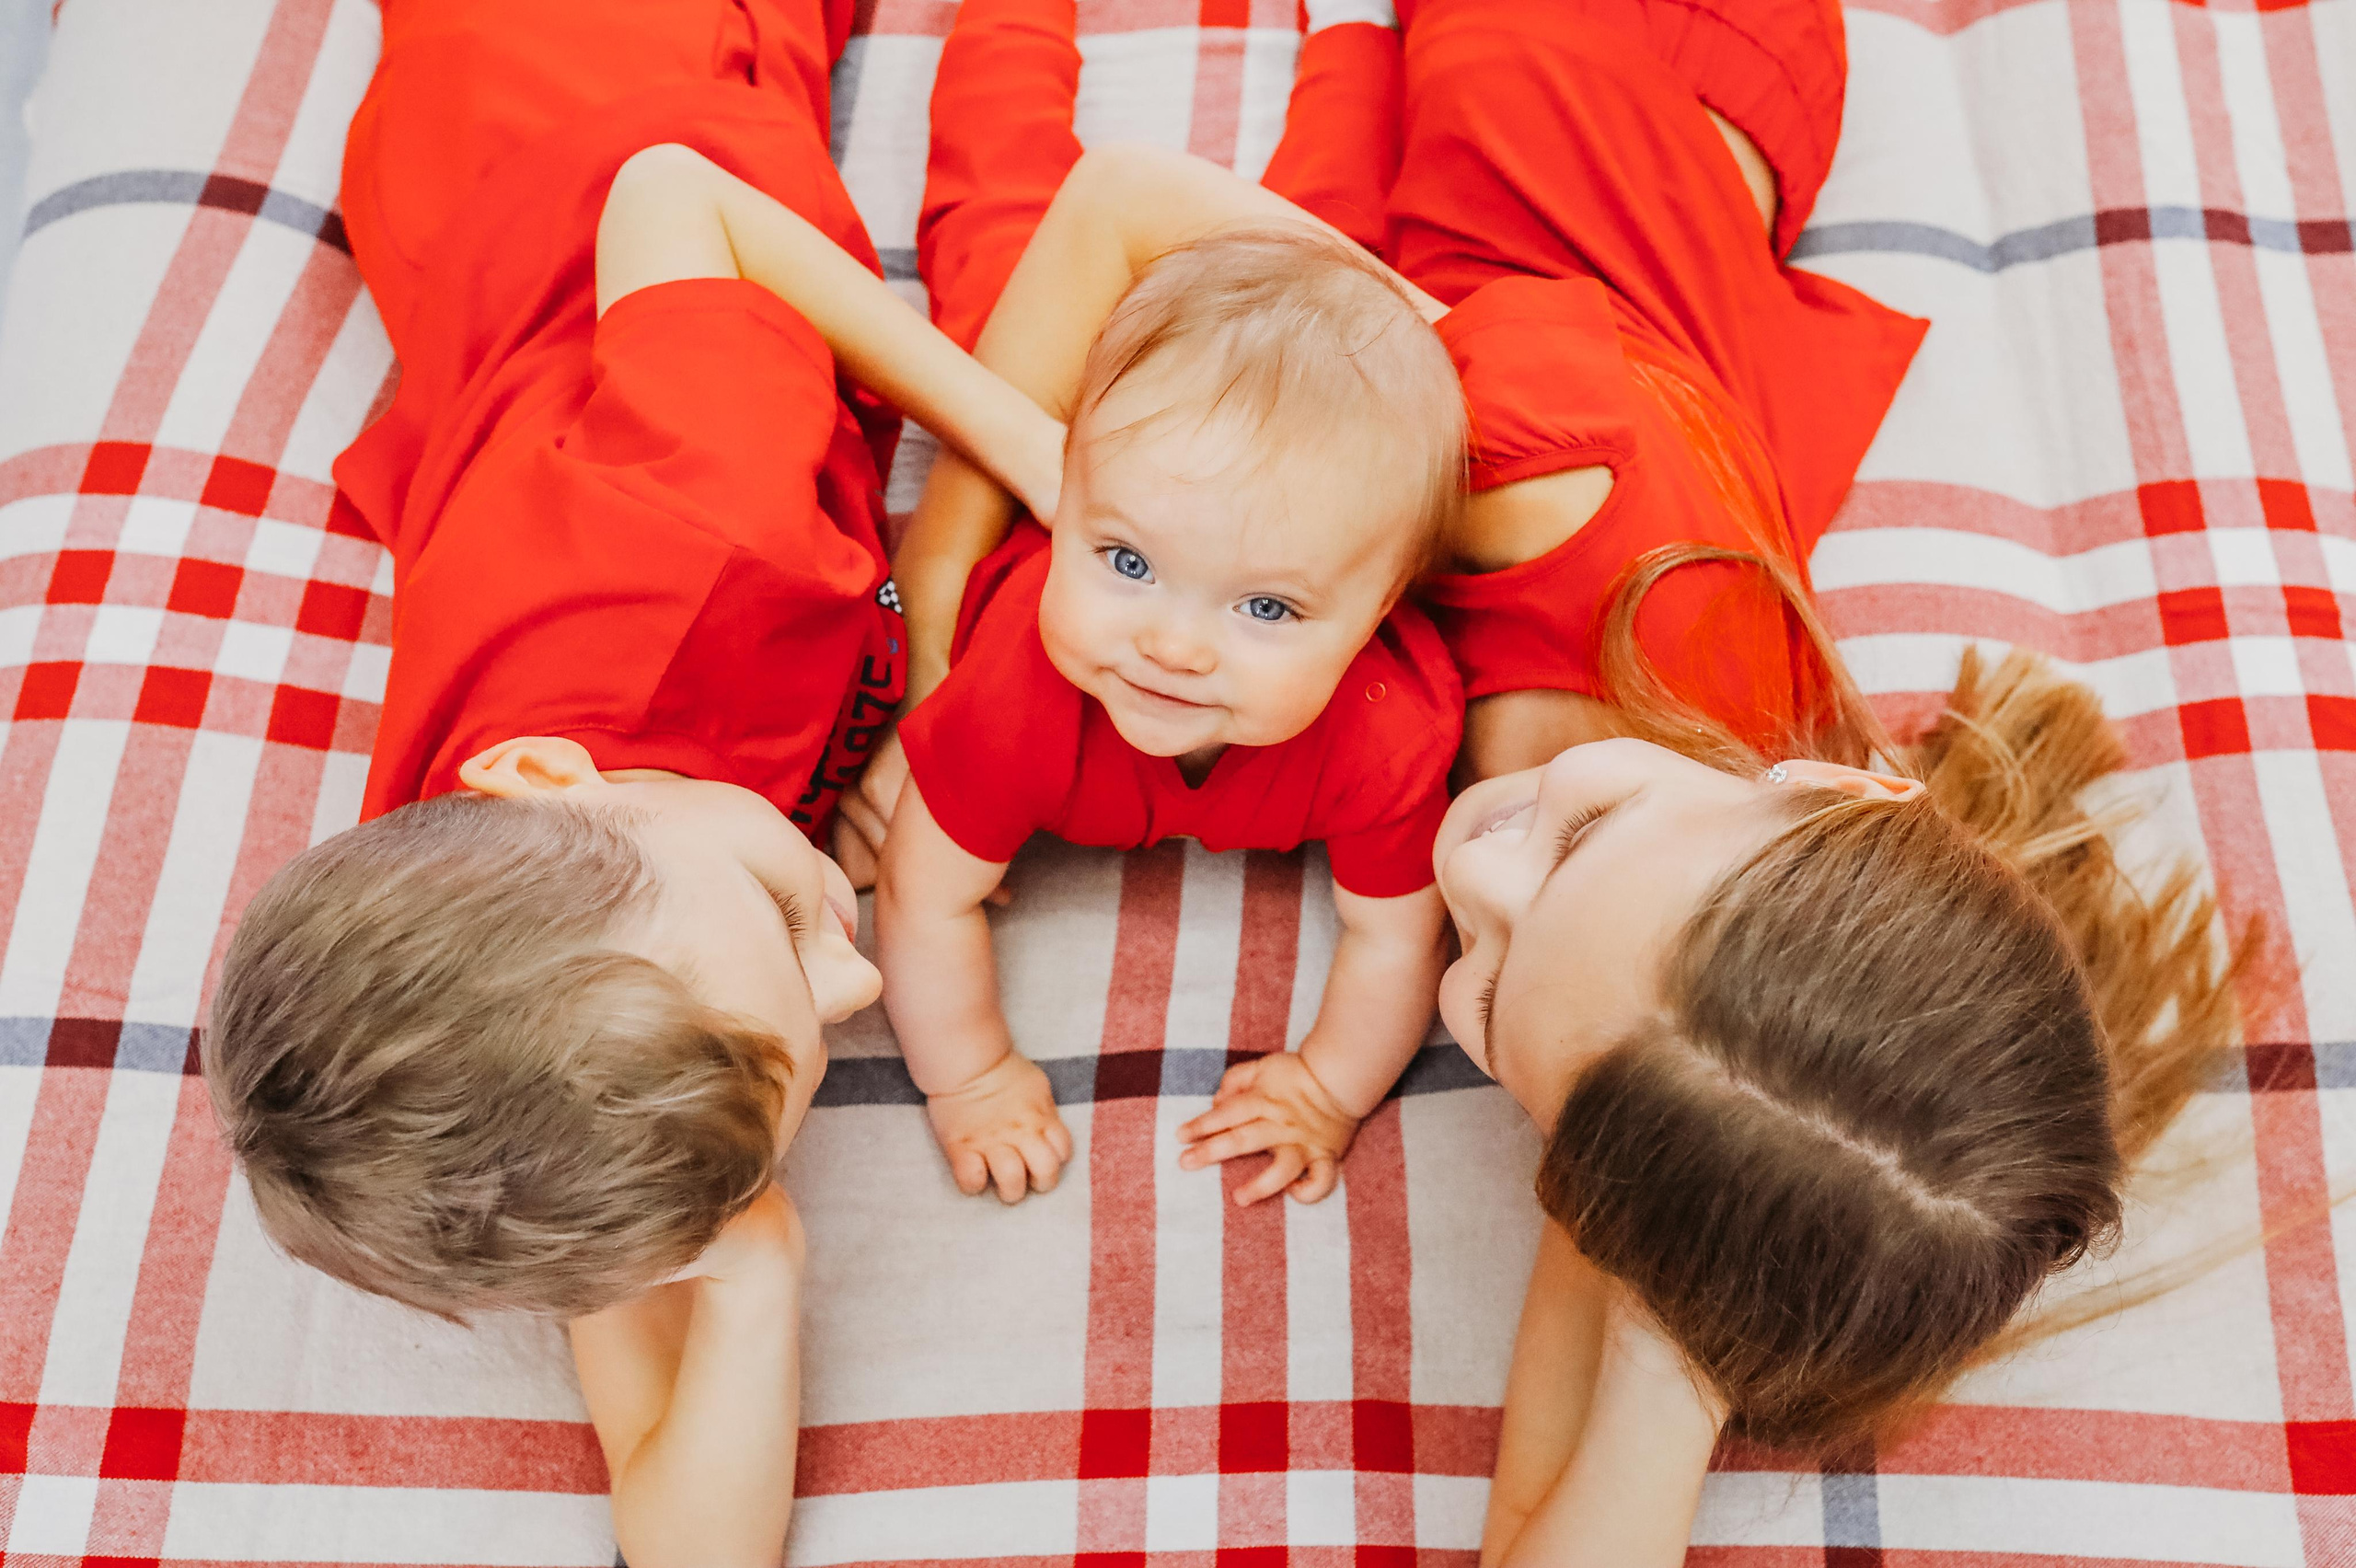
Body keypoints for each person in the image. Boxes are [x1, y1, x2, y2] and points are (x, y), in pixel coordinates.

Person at [202, 0, 1071, 1558]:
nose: (861, 978)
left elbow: (676, 191)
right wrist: (749, 1271)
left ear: (536, 774)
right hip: (486, 244)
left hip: (586, 83)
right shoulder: (547, 1043)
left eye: (785, 926)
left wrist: (1031, 448)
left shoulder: (692, 544)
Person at [871, 0, 1469, 1211]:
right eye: (1127, 563)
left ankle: (1352, 37)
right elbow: (922, 897)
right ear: (1069, 496)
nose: (1173, 645)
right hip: (1081, 355)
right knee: (999, 217)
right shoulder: (1017, 694)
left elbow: (1395, 938)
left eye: (1267, 609)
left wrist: (1326, 1087)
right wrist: (972, 1074)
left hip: (1286, 370)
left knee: (1337, 234)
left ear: (1382, 607)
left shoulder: (1384, 730)